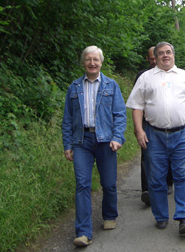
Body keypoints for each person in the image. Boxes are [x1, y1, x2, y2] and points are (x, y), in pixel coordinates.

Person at [126, 42, 185, 235]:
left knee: (181, 175)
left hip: (182, 134)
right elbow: (137, 106)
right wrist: (139, 130)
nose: (165, 56)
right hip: (154, 135)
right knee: (156, 179)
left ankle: (184, 217)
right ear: (155, 57)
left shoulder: (184, 76)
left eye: (168, 52)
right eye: (161, 53)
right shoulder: (145, 78)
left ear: (173, 55)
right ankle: (161, 216)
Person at [62, 46, 127, 247]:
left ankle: (109, 215)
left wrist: (118, 137)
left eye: (95, 60)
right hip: (81, 141)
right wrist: (68, 144)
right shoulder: (74, 87)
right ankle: (83, 232)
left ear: (101, 62)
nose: (92, 63)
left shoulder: (111, 85)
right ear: (83, 63)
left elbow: (120, 114)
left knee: (108, 183)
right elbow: (67, 119)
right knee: (82, 184)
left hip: (106, 141)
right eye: (88, 60)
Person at [134, 47, 174, 206]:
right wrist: (138, 128)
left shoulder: (169, 74)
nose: (153, 60)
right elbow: (136, 102)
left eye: (154, 57)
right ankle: (147, 190)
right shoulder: (142, 76)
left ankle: (168, 182)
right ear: (148, 58)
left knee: (168, 153)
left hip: (167, 123)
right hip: (146, 122)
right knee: (146, 155)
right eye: (150, 58)